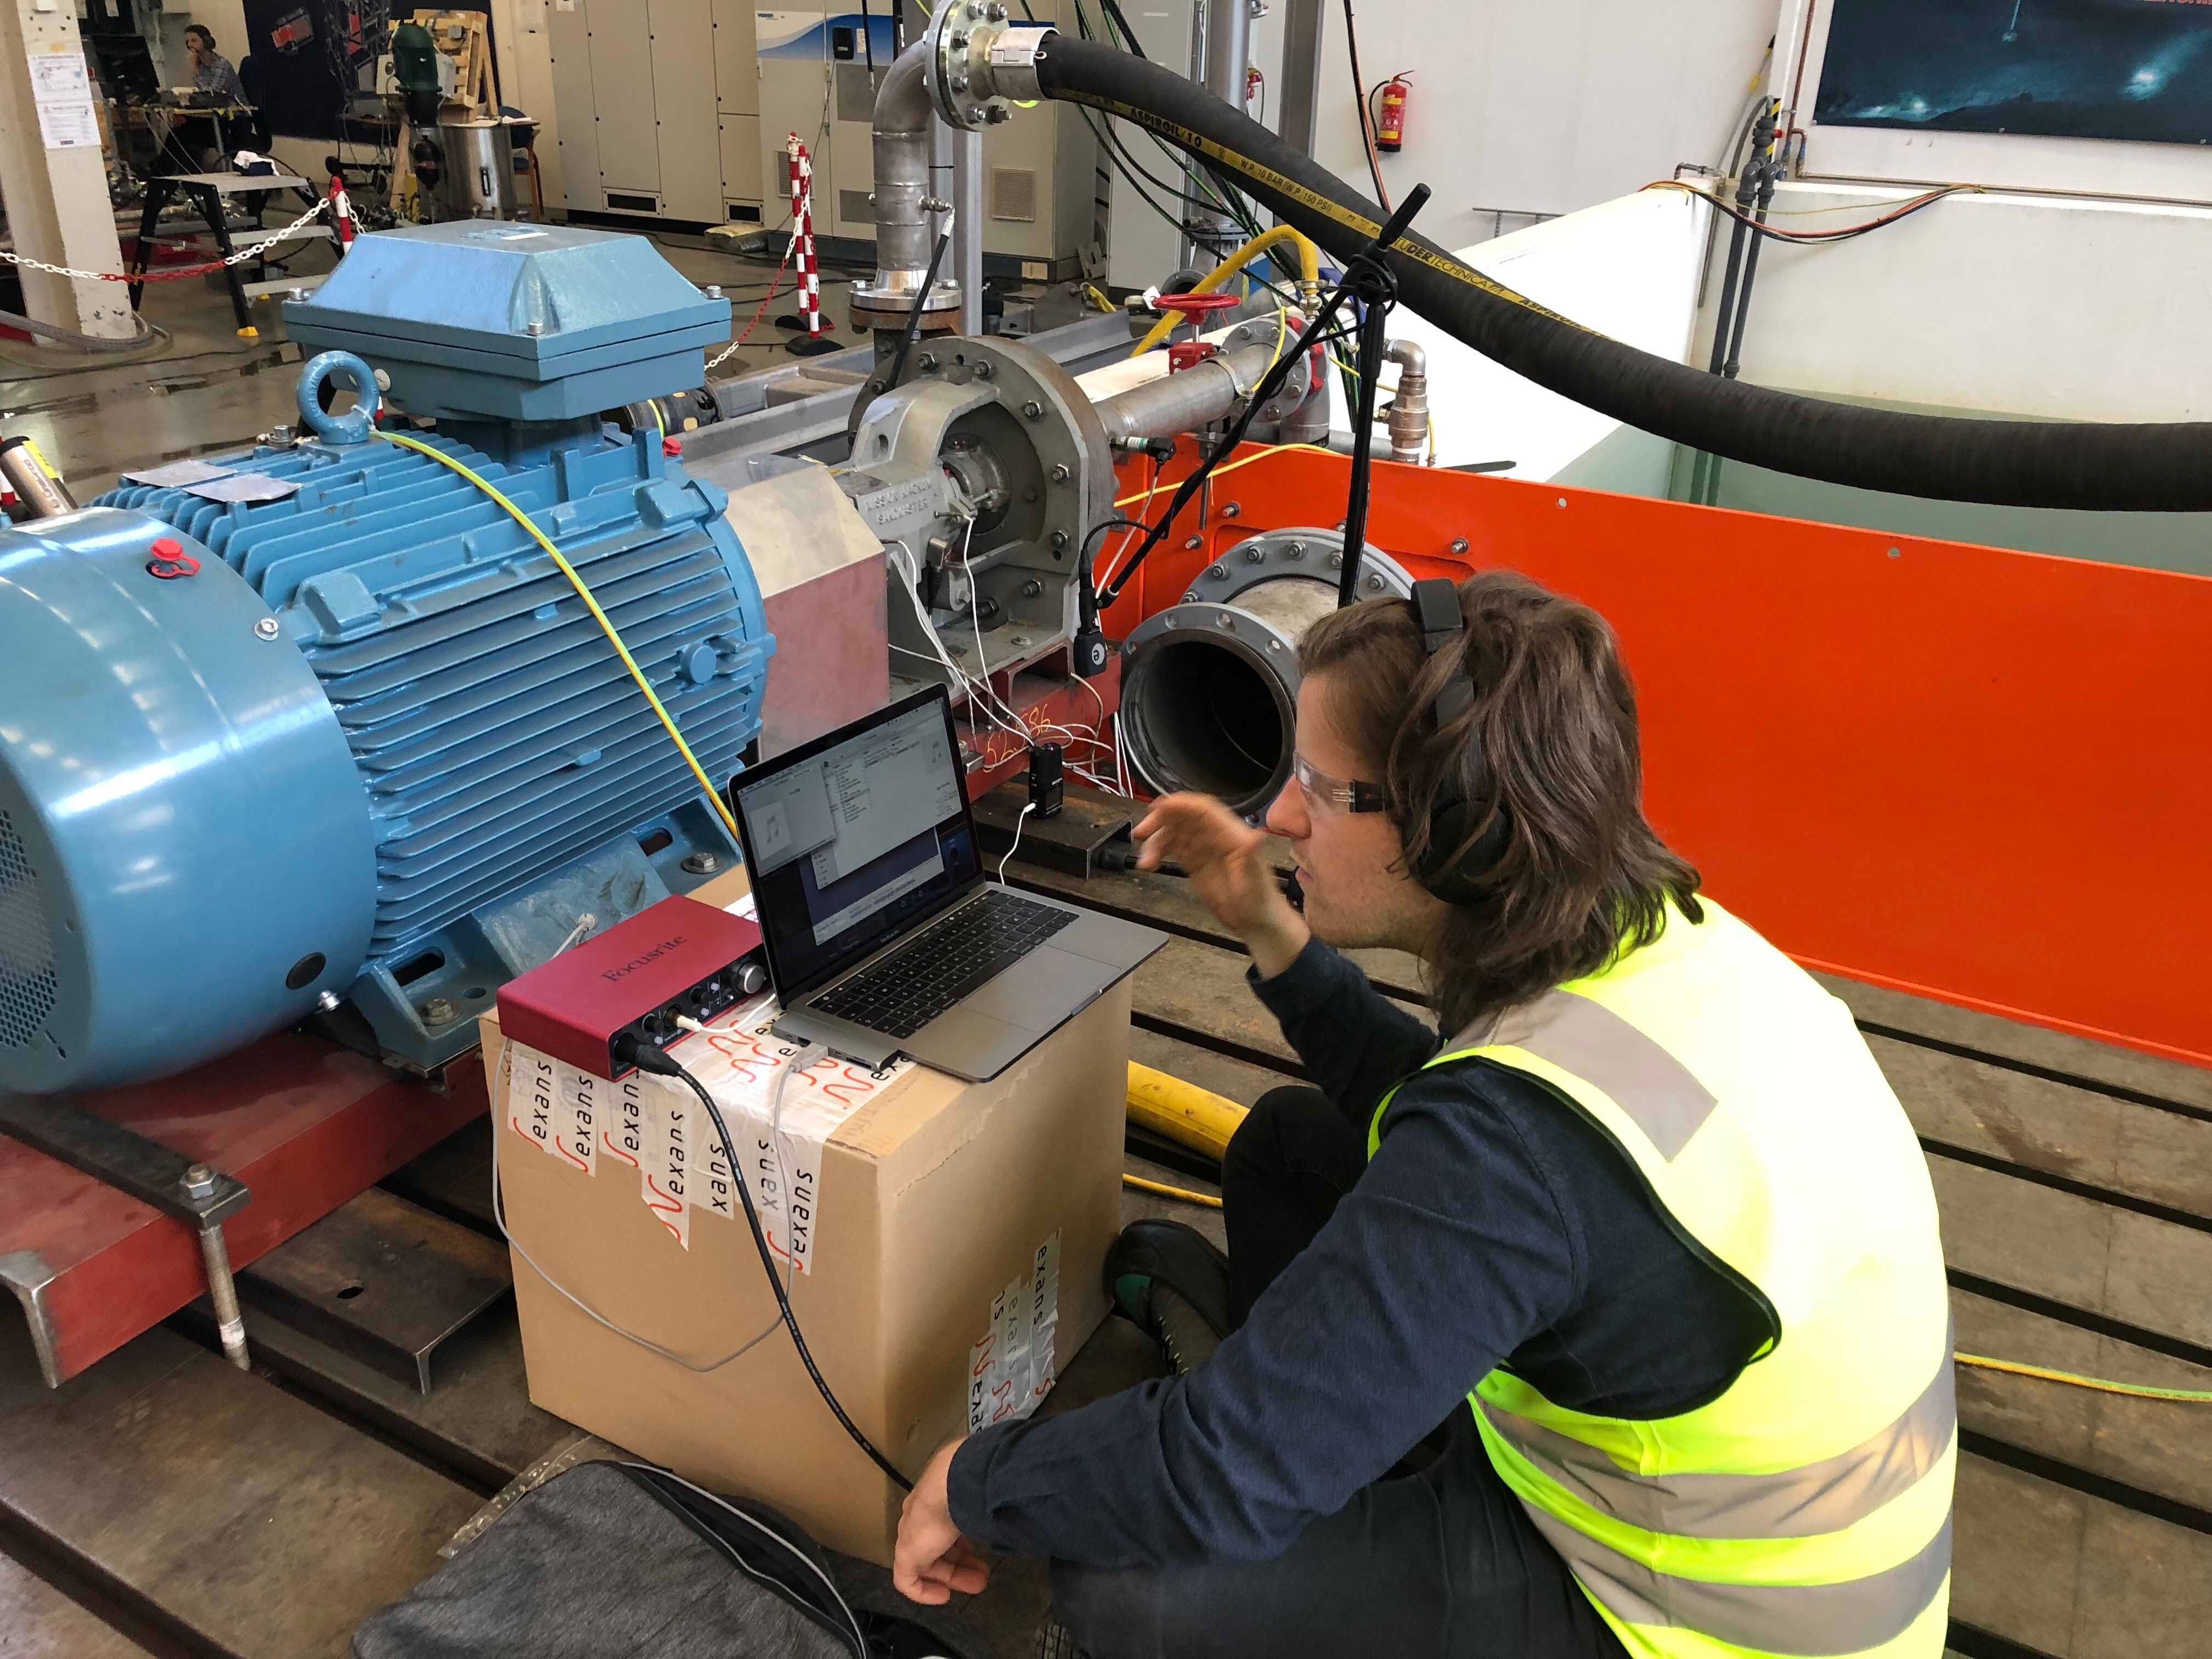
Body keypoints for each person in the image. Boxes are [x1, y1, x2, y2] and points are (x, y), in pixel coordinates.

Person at [891, 571, 1956, 1659]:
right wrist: (1270, 928)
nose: (1282, 814)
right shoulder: (1669, 944)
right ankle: (1325, 1425)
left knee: (1133, 1578)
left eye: (1318, 782)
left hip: (1675, 1609)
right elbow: (1456, 1119)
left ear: (1454, 824)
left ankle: (1305, 1436)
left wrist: (974, 1482)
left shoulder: (1516, 1149)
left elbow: (1222, 1474)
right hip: (1668, 1468)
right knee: (1293, 1147)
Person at [183, 25, 247, 103]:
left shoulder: (222, 65)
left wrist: (195, 71)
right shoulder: (200, 65)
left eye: (194, 41)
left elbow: (212, 97)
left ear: (206, 41)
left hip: (237, 111)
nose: (189, 45)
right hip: (217, 111)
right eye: (187, 42)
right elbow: (204, 95)